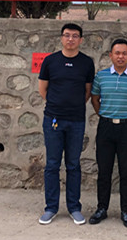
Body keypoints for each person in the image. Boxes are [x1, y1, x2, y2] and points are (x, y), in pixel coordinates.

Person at [37, 23, 95, 226]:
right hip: (53, 119)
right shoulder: (50, 61)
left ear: (81, 40)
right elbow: (43, 89)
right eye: (67, 35)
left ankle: (74, 207)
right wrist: (57, 105)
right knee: (52, 164)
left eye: (75, 36)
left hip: (76, 120)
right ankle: (51, 208)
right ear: (61, 38)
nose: (71, 39)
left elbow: (87, 91)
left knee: (73, 164)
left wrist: (73, 106)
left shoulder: (86, 63)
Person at [89, 39, 127, 228]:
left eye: (124, 53)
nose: (120, 56)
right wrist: (104, 115)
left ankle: (126, 211)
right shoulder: (101, 76)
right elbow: (95, 99)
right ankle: (102, 208)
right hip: (105, 127)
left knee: (126, 171)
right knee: (104, 171)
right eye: (117, 53)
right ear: (111, 56)